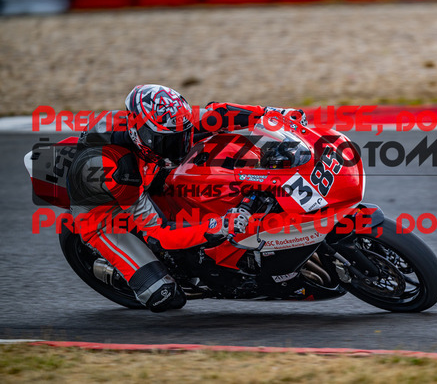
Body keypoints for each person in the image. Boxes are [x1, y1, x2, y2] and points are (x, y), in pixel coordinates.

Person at [67, 84, 305, 312]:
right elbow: (159, 234)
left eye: (182, 136)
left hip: (148, 171)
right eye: (168, 141)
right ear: (140, 133)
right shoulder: (121, 171)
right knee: (165, 296)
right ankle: (124, 272)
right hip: (105, 216)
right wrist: (219, 225)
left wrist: (274, 113)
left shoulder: (161, 123)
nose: (179, 147)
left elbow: (219, 114)